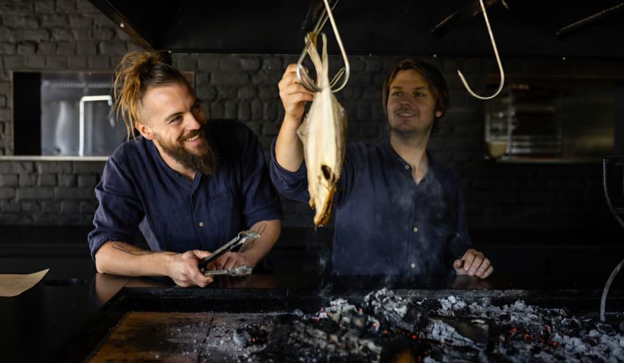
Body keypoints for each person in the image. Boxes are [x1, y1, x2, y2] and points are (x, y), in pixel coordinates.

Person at [271, 59, 493, 282]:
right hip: (355, 313)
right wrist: (292, 117)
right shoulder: (356, 162)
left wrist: (468, 261)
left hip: (426, 313)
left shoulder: (448, 181)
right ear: (386, 103)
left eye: (419, 94)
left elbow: (457, 251)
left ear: (439, 107)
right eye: (397, 93)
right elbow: (293, 179)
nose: (405, 101)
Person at [88, 51, 282, 287]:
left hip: (246, 287)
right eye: (176, 118)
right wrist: (170, 264)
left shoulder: (238, 139)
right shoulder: (126, 164)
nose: (196, 123)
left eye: (196, 107)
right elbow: (105, 253)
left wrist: (246, 256)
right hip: (173, 296)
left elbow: (266, 217)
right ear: (146, 130)